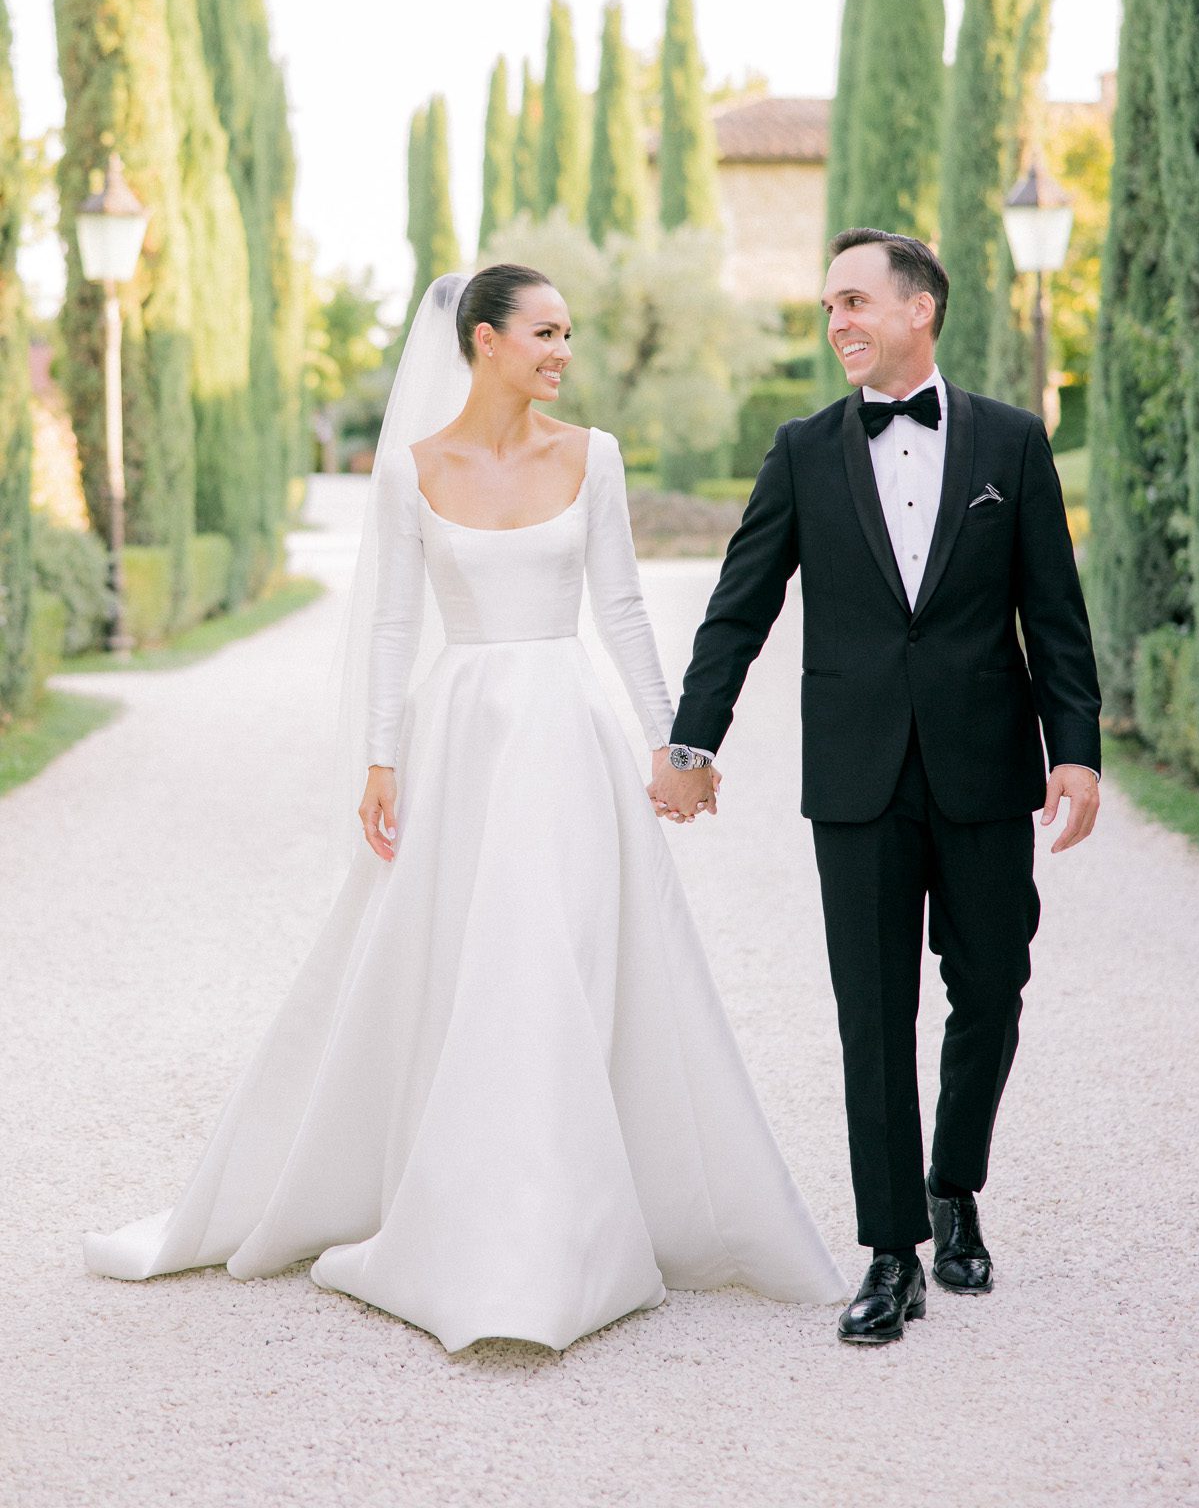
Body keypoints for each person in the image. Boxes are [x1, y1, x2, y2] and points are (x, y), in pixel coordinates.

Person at [82, 265, 846, 1351]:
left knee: (559, 958)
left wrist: (673, 741)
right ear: (482, 339)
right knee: (463, 963)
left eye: (568, 334)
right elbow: (394, 621)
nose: (561, 351)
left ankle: (569, 1227)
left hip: (566, 737)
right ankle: (470, 1219)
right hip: (461, 740)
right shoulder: (413, 466)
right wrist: (381, 759)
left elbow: (623, 610)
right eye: (543, 332)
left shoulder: (593, 456)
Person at [652, 228, 1101, 1346]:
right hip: (853, 774)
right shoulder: (802, 449)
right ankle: (891, 1248)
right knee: (873, 1013)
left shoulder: (1009, 439)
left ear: (919, 309)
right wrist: (693, 741)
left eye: (854, 300)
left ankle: (956, 1186)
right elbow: (738, 605)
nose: (837, 321)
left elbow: (1052, 608)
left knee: (991, 986)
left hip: (986, 766)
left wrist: (1075, 747)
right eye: (826, 307)